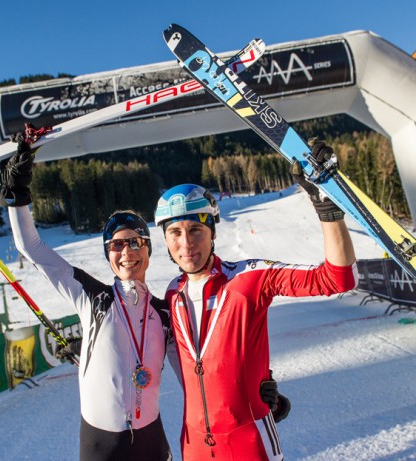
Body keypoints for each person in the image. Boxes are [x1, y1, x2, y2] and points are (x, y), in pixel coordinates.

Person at [153, 140, 357, 460]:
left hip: (249, 439)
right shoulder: (172, 293)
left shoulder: (248, 279)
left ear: (213, 232)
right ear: (165, 239)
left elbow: (336, 278)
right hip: (193, 442)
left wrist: (327, 207)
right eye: (175, 232)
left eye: (195, 229)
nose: (186, 242)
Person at [0, 135, 173, 461]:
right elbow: (32, 248)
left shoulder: (164, 313)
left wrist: (260, 399)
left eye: (135, 242)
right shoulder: (94, 298)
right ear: (108, 254)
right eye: (116, 245)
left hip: (151, 440)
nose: (126, 252)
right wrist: (18, 194)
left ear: (148, 249)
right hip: (100, 445)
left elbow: (200, 372)